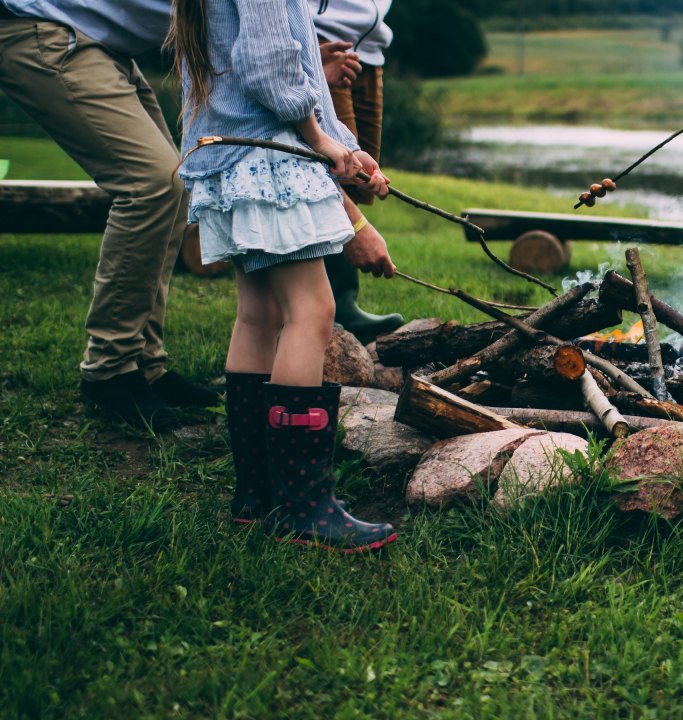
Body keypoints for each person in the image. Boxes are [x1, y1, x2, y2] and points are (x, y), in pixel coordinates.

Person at [169, 0, 398, 552]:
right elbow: (269, 61)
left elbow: (299, 71)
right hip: (269, 156)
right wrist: (320, 142)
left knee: (260, 315)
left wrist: (349, 146)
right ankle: (303, 506)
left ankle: (258, 494)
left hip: (231, 154)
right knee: (311, 312)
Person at [0, 0, 221, 431]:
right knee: (153, 184)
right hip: (46, 26)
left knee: (174, 186)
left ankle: (144, 361)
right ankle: (110, 368)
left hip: (99, 41)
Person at [312, 0, 406, 344]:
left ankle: (340, 298)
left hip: (370, 46)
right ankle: (334, 302)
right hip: (322, 39)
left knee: (358, 175)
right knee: (331, 168)